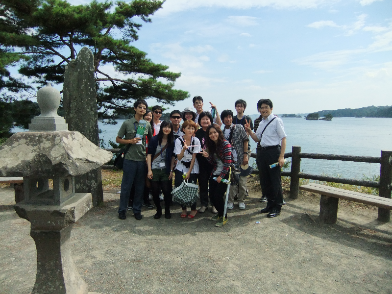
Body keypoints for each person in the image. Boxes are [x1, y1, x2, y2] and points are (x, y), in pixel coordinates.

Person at [244, 99, 287, 218]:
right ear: (259, 110)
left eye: (266, 107)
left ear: (271, 108)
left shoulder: (277, 121)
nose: (264, 109)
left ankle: (277, 206)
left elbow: (283, 138)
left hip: (273, 152)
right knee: (264, 180)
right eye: (261, 108)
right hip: (262, 153)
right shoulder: (261, 122)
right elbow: (257, 139)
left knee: (275, 180)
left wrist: (281, 156)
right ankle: (270, 204)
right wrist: (249, 131)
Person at [117, 99, 153, 220]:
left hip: (142, 160)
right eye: (140, 107)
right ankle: (122, 210)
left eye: (144, 108)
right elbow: (118, 139)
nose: (142, 109)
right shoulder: (127, 123)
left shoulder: (146, 124)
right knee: (126, 186)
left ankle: (137, 210)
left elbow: (151, 140)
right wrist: (129, 141)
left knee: (139, 187)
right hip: (129, 159)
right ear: (135, 109)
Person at [202, 124, 233, 227]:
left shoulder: (225, 144)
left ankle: (224, 217)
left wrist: (222, 176)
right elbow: (213, 162)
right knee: (212, 196)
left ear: (219, 133)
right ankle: (220, 214)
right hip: (215, 172)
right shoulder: (212, 145)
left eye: (215, 132)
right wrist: (207, 156)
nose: (213, 135)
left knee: (218, 196)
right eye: (210, 133)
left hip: (224, 174)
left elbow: (228, 162)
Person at [220, 110, 249, 210]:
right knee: (231, 182)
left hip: (241, 159)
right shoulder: (222, 132)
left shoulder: (239, 127)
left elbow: (245, 141)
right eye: (226, 117)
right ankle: (230, 201)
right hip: (230, 161)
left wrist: (245, 155)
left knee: (242, 182)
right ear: (223, 119)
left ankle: (241, 200)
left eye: (230, 117)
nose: (228, 119)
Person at [147, 121, 176, 219]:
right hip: (154, 168)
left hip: (166, 169)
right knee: (155, 191)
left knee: (166, 191)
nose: (166, 129)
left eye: (169, 127)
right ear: (161, 128)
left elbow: (173, 157)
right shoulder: (155, 139)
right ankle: (158, 210)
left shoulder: (172, 141)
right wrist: (149, 170)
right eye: (164, 127)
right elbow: (149, 154)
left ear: (171, 129)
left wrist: (171, 171)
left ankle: (167, 209)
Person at [174, 120, 201, 218]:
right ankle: (184, 208)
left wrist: (189, 172)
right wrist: (184, 149)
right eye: (188, 128)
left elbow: (194, 157)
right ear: (184, 129)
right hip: (181, 165)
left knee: (192, 187)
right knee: (179, 186)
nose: (190, 130)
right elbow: (179, 157)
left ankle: (193, 209)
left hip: (192, 166)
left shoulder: (196, 140)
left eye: (193, 128)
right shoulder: (178, 140)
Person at [128, 110, 154, 210]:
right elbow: (137, 141)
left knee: (147, 180)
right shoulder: (141, 125)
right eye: (147, 115)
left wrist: (149, 155)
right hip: (138, 156)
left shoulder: (151, 127)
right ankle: (131, 201)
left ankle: (145, 200)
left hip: (148, 156)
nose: (148, 117)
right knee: (136, 180)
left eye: (150, 116)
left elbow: (152, 142)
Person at [195, 112, 215, 213]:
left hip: (213, 163)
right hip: (201, 163)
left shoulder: (214, 131)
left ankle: (214, 204)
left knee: (213, 184)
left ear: (211, 120)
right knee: (202, 184)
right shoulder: (197, 133)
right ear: (200, 121)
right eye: (203, 119)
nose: (205, 121)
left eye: (207, 119)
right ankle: (204, 204)